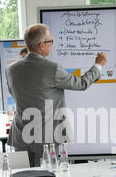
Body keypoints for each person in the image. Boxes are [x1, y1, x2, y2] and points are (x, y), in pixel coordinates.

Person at [6, 23, 107, 166]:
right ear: (41, 45)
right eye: (50, 41)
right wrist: (98, 65)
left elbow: (15, 94)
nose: (51, 44)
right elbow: (81, 83)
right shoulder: (52, 69)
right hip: (46, 137)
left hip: (21, 134)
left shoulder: (11, 69)